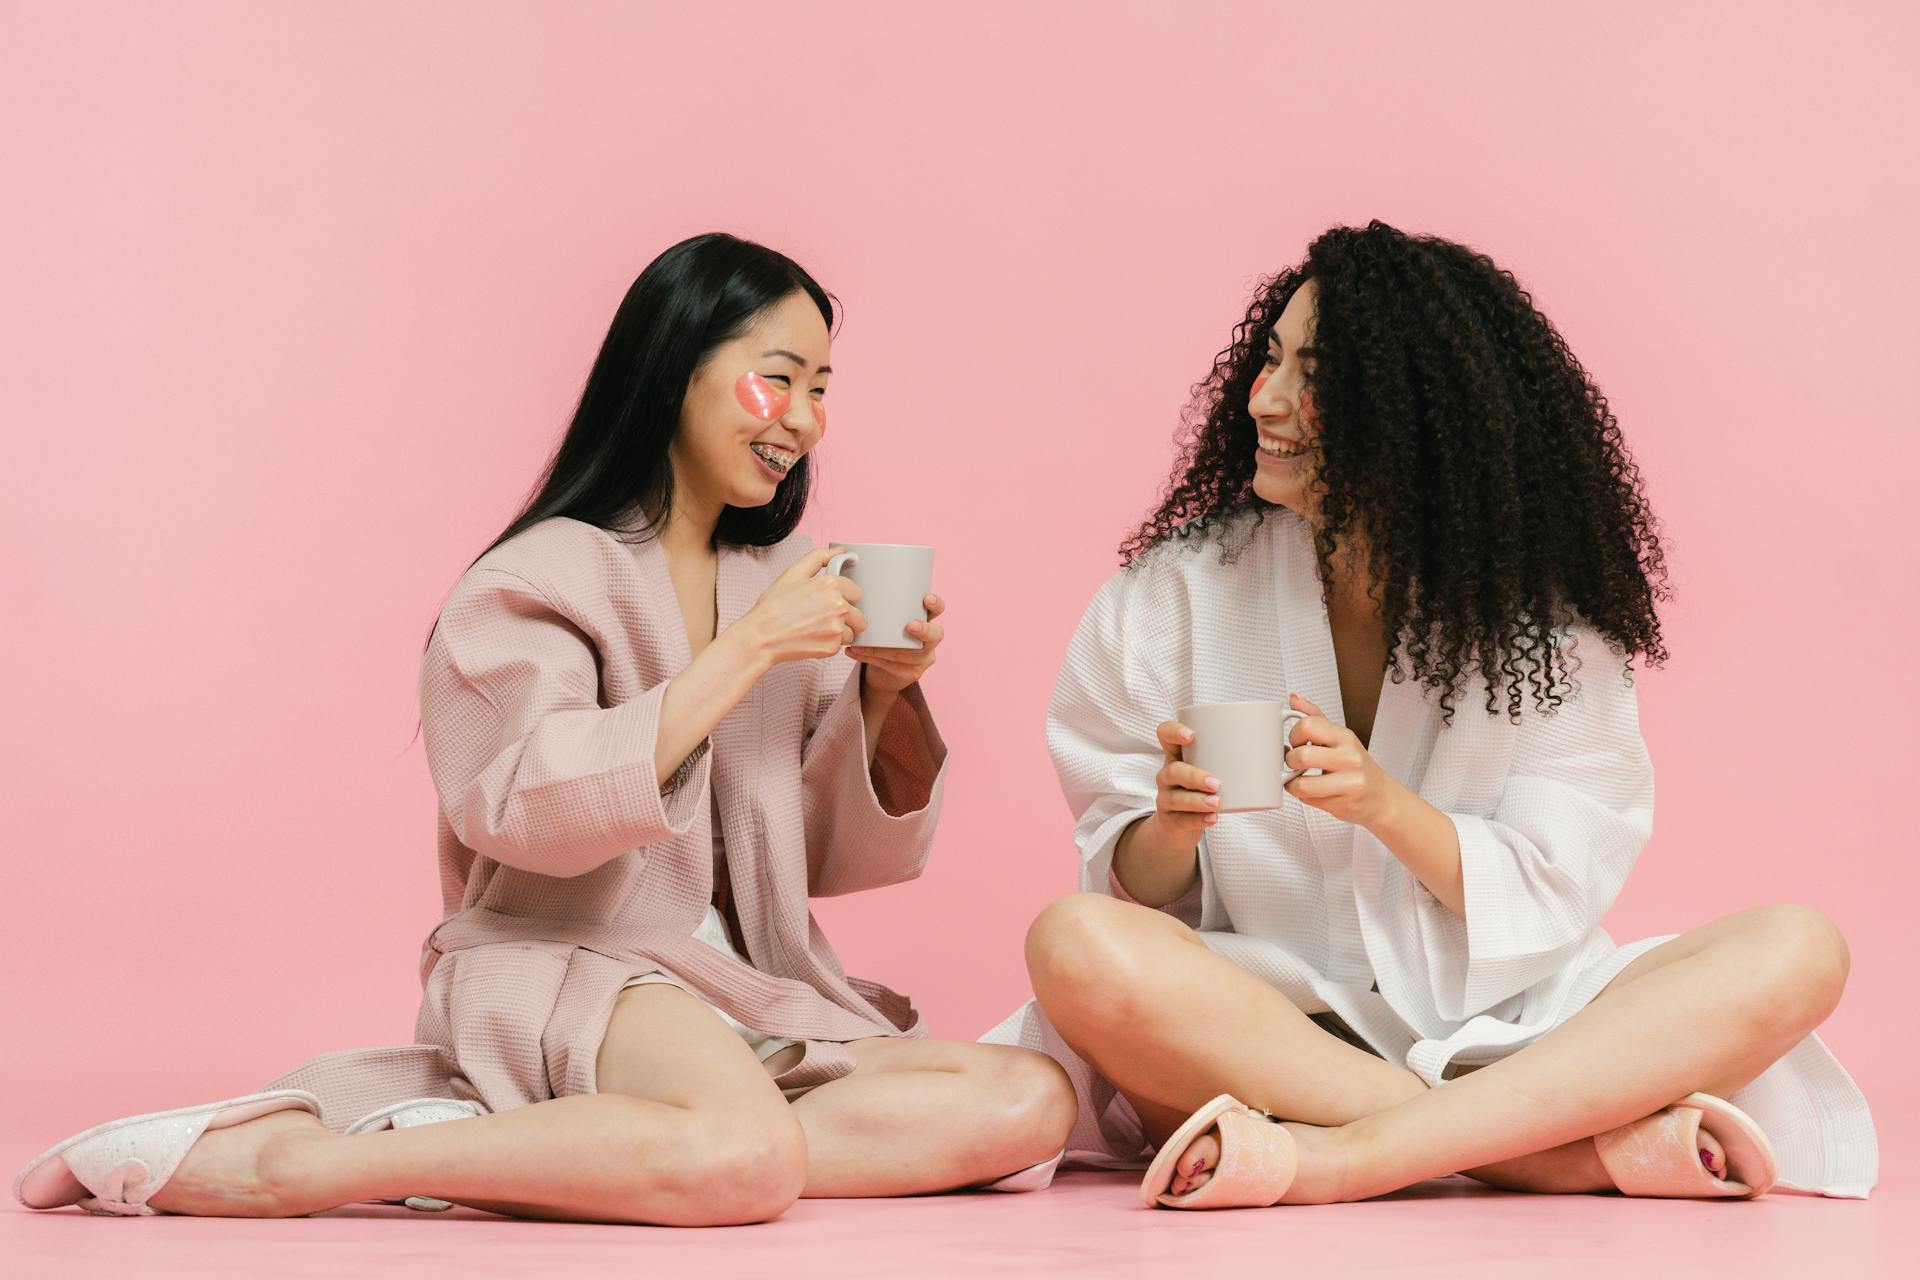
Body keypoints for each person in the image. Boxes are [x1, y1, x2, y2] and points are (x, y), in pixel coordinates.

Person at [15, 232, 1074, 1224]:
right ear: (673, 370)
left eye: (822, 389)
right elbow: (524, 811)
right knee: (747, 1161)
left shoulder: (768, 583)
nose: (803, 418)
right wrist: (747, 651)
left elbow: (822, 855)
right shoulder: (533, 580)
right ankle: (309, 1162)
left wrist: (885, 693)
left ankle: (582, 1142)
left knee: (1028, 1101)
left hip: (745, 986)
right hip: (576, 961)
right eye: (779, 377)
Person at [987, 220, 1875, 1206]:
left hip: (1527, 1025)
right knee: (1075, 944)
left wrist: (1383, 804)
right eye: (1268, 358)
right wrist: (1169, 825)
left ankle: (1353, 1151)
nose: (1262, 399)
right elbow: (1131, 890)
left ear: (1409, 414)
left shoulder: (1547, 627)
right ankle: (1529, 1150)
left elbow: (1557, 878)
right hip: (1279, 1023)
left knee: (1799, 947)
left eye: (1308, 373)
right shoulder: (1176, 593)